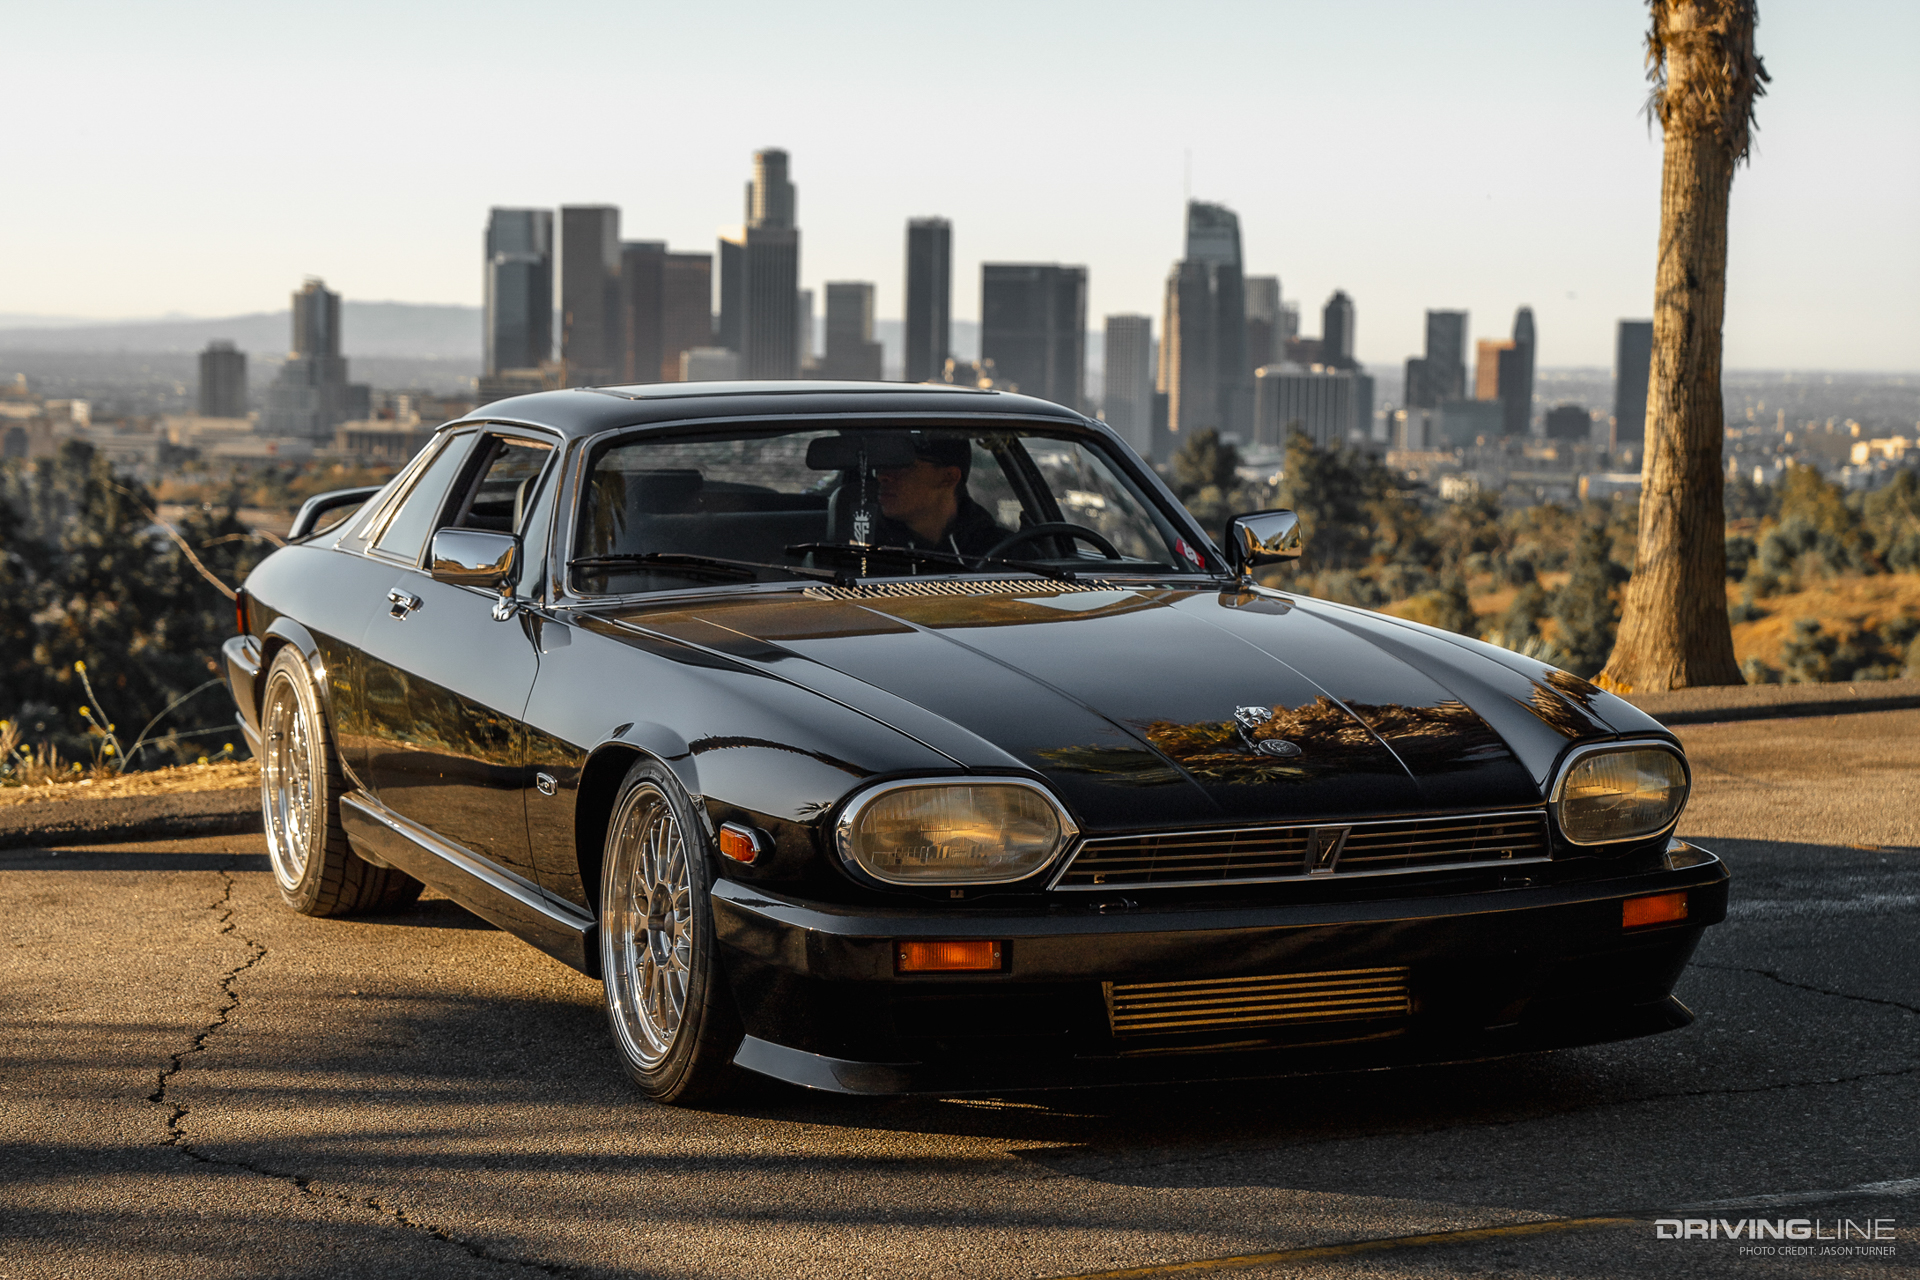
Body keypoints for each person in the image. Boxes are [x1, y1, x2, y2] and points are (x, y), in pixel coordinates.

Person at [870, 434, 1009, 559]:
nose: (882, 476)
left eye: (902, 464)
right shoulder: (863, 550)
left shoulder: (1006, 555)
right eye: (882, 465)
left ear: (949, 477)